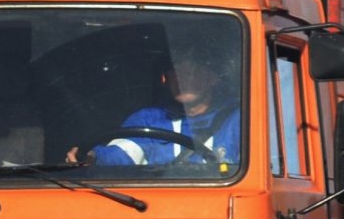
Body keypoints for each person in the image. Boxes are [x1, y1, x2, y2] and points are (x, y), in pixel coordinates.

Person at [66, 52, 240, 168]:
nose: (182, 79)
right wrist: (92, 157)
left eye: (193, 71)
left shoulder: (239, 119)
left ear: (213, 78)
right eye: (175, 72)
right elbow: (125, 153)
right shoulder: (148, 119)